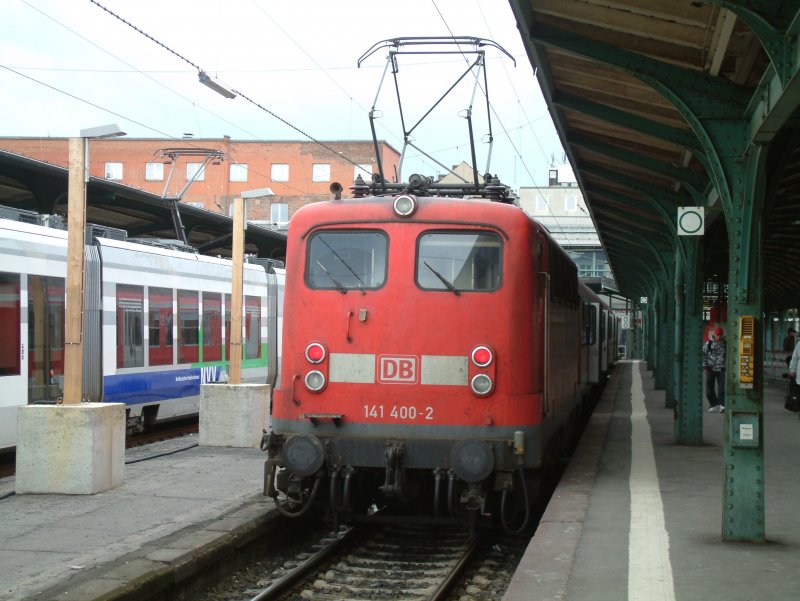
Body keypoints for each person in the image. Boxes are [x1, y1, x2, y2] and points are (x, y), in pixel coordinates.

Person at [703, 326, 726, 412]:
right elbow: (703, 355)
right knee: (709, 390)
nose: (719, 336)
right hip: (710, 369)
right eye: (718, 335)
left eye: (721, 335)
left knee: (721, 389)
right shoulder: (709, 344)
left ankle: (721, 406)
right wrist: (705, 367)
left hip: (721, 369)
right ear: (715, 335)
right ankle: (713, 404)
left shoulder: (725, 344)